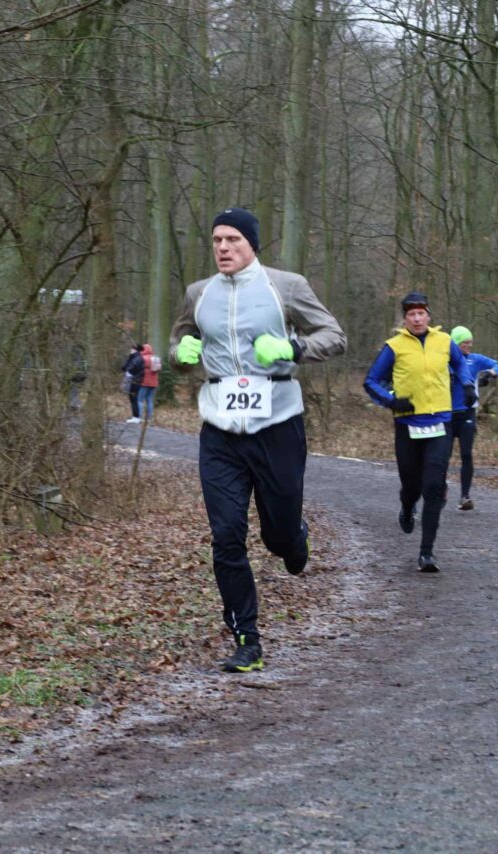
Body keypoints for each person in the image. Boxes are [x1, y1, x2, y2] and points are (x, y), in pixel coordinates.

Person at [170, 206, 346, 673]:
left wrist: (293, 348)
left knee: (278, 535)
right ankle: (246, 638)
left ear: (251, 244)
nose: (223, 248)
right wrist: (180, 353)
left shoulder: (286, 286)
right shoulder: (198, 293)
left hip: (277, 426)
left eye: (233, 240)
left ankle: (293, 537)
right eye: (216, 240)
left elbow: (334, 336)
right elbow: (178, 343)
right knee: (227, 535)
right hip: (220, 433)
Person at [364, 292, 473, 573]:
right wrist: (391, 401)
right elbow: (371, 380)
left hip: (440, 423)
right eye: (411, 314)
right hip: (407, 425)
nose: (416, 318)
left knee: (434, 486)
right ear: (405, 318)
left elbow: (461, 365)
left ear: (429, 316)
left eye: (421, 313)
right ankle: (407, 504)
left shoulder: (445, 341)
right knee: (412, 485)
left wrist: (468, 384)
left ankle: (427, 552)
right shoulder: (394, 346)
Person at [448, 326, 498, 511]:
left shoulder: (475, 359)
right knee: (442, 456)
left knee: (466, 454)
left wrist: (490, 373)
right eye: (465, 342)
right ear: (456, 343)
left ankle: (465, 496)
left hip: (467, 413)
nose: (469, 345)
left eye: (471, 341)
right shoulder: (445, 360)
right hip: (446, 414)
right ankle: (439, 487)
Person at [122, 344, 145, 422]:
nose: (130, 350)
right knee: (134, 398)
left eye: (132, 349)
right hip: (136, 381)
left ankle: (136, 417)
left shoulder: (137, 359)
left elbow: (129, 369)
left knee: (133, 398)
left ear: (135, 350)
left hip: (134, 381)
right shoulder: (136, 358)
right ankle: (136, 416)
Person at [137, 343, 161, 422]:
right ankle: (149, 418)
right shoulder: (156, 358)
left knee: (140, 400)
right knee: (149, 400)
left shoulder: (142, 358)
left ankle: (139, 417)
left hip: (144, 382)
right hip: (154, 383)